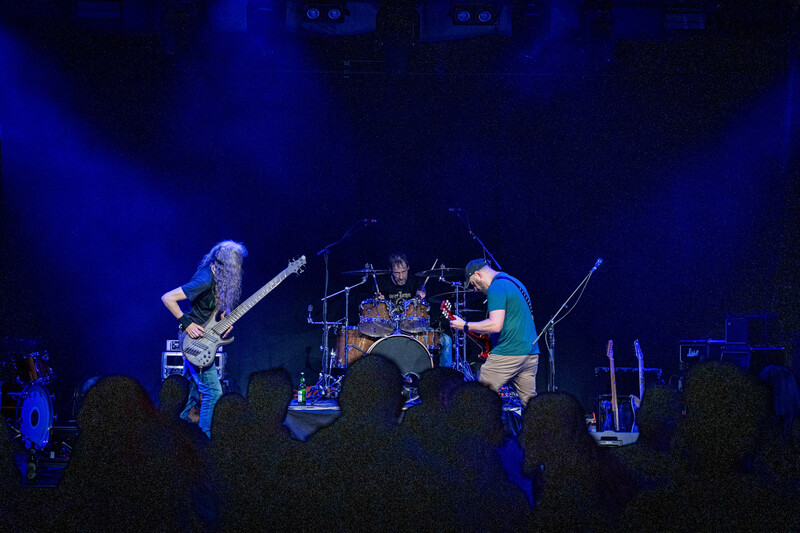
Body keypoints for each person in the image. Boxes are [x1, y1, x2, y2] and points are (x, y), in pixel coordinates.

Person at [161, 240, 248, 437]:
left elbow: (213, 305)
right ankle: (204, 441)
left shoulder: (219, 278)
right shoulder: (204, 279)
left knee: (190, 392)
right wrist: (187, 323)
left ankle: (179, 437)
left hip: (205, 338)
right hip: (195, 342)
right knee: (213, 392)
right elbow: (168, 298)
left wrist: (225, 317)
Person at [449, 259, 539, 407]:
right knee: (531, 405)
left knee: (477, 398)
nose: (476, 288)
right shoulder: (515, 282)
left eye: (474, 283)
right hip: (530, 353)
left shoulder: (496, 288)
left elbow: (495, 325)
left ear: (478, 274)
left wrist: (464, 325)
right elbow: (531, 318)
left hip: (509, 353)